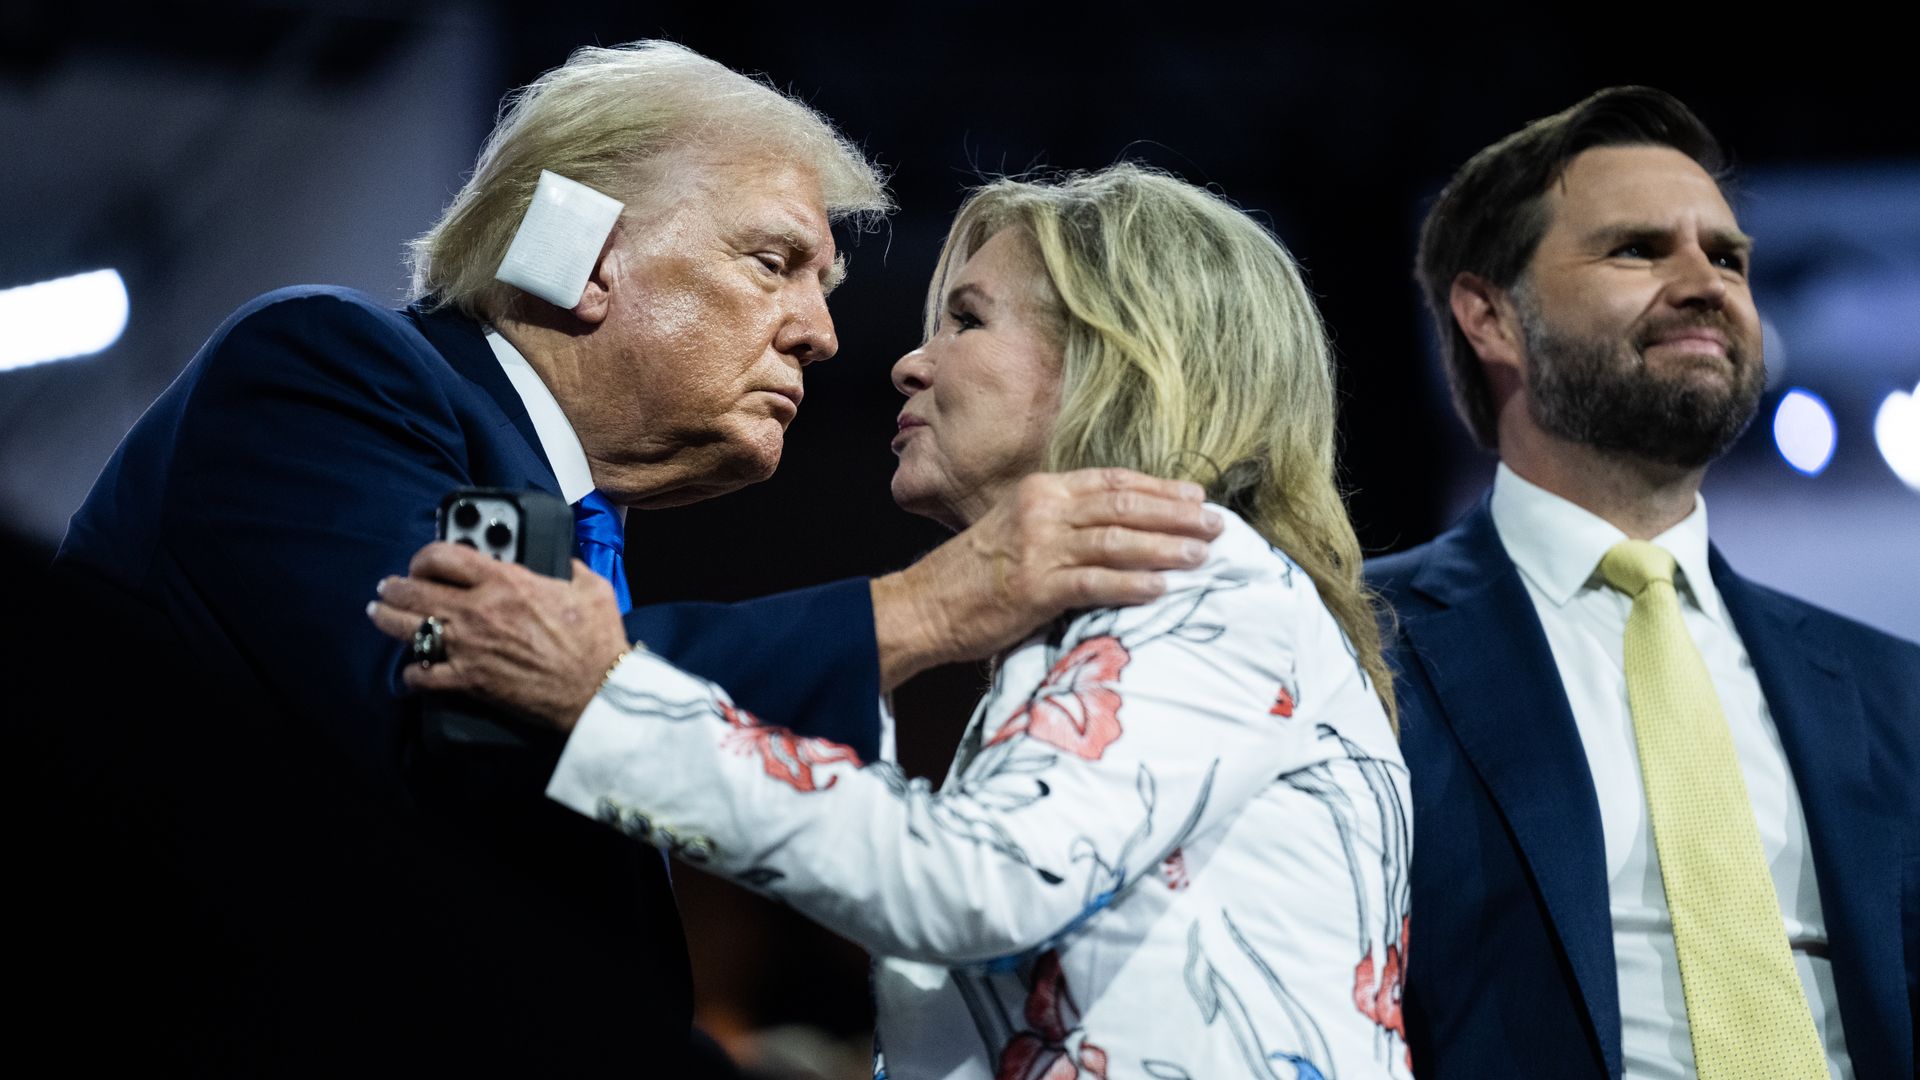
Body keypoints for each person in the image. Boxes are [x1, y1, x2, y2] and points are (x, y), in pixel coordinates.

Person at [47, 43, 1219, 1073]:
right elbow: (465, 706)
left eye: (821, 286)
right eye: (774, 261)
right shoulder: (326, 372)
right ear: (586, 254)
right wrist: (921, 608)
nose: (822, 332)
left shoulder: (562, 524)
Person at [372, 164, 1415, 1079]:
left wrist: (611, 702)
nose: (908, 363)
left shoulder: (1199, 577)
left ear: (1122, 360)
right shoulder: (1116, 616)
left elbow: (978, 884)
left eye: (967, 319)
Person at [1368, 86, 1920, 1079]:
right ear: (1490, 316)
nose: (1706, 283)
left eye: (1729, 257)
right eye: (1637, 249)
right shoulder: (1358, 641)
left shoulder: (1893, 691)